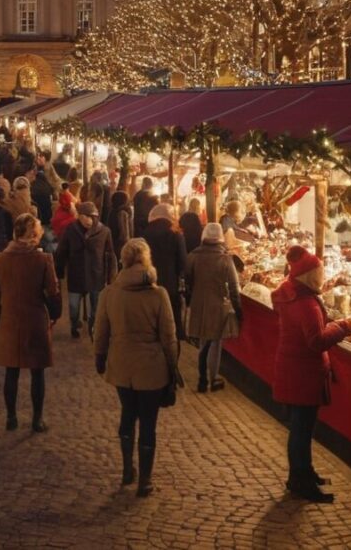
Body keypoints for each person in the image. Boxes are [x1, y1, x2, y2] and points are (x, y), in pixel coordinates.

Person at [93, 239, 178, 498]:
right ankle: (145, 480)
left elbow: (101, 331)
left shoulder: (109, 293)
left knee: (128, 413)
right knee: (148, 422)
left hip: (122, 364)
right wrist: (172, 368)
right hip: (151, 367)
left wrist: (100, 357)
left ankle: (127, 469)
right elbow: (169, 336)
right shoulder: (157, 294)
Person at [272, 246, 351, 503]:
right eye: (320, 271)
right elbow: (316, 341)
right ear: (310, 275)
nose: (322, 274)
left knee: (302, 427)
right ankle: (300, 480)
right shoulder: (306, 303)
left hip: (293, 368)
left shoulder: (293, 293)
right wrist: (342, 326)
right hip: (303, 372)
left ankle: (304, 472)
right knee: (301, 428)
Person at [0, 213, 61, 433]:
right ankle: (37, 419)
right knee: (37, 373)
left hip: (10, 321)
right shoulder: (43, 260)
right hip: (35, 320)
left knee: (12, 371)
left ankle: (11, 417)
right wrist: (55, 314)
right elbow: (53, 291)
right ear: (34, 234)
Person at [185, 223, 241, 392]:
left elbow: (187, 280)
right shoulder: (225, 259)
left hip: (198, 302)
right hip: (218, 305)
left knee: (204, 341)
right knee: (215, 343)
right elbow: (233, 286)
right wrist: (239, 311)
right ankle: (212, 378)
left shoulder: (193, 256)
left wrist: (190, 300)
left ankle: (203, 379)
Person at [55, 202, 117, 339]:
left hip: (96, 274)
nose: (89, 220)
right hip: (76, 274)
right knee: (73, 307)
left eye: (92, 216)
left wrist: (111, 277)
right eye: (85, 216)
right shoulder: (71, 229)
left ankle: (93, 327)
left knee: (95, 307)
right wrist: (59, 271)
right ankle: (74, 324)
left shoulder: (104, 231)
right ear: (79, 216)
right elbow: (62, 251)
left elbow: (110, 254)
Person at [142, 203, 188, 339]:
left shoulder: (144, 234)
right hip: (170, 284)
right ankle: (173, 343)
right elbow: (182, 262)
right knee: (171, 316)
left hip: (149, 282)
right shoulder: (175, 235)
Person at [109, 190, 133, 260]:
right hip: (121, 245)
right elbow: (124, 235)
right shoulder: (122, 212)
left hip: (114, 242)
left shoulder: (112, 211)